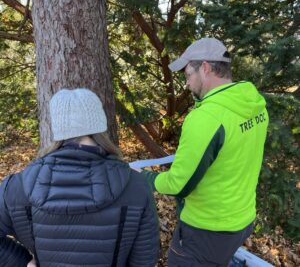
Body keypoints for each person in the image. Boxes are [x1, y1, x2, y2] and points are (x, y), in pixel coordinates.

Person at [142, 38, 269, 266]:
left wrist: (145, 178)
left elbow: (179, 184)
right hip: (241, 220)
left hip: (207, 230)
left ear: (206, 68)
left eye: (188, 74)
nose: (187, 83)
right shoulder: (254, 105)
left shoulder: (206, 117)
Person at [0, 88, 159, 267]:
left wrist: (22, 262)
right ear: (100, 127)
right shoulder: (136, 186)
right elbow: (145, 258)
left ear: (57, 129)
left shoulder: (17, 187)